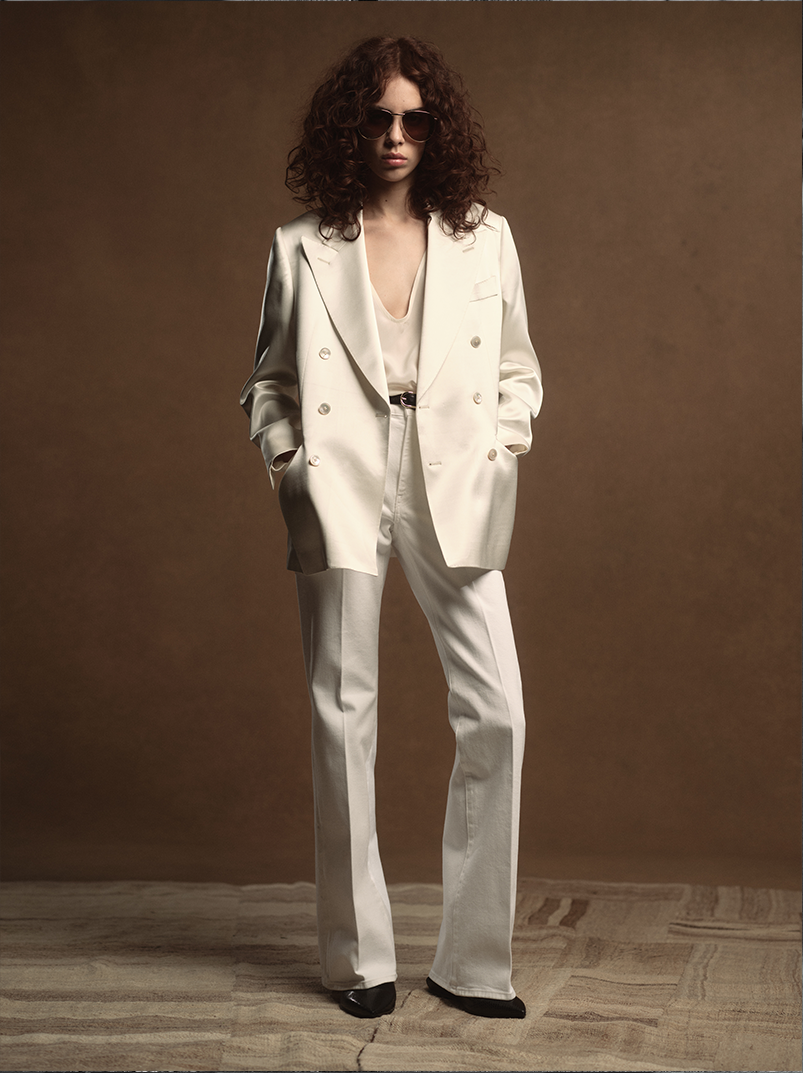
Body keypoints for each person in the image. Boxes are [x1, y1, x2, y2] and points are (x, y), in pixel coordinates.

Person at [240, 36, 542, 1020]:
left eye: (415, 118)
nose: (396, 135)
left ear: (437, 129)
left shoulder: (485, 239)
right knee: (343, 710)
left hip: (453, 472)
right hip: (341, 474)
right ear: (350, 128)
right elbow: (267, 383)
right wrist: (289, 463)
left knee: (496, 709)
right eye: (378, 118)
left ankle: (473, 963)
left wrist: (502, 442)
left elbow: (517, 368)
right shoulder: (301, 245)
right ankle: (358, 957)